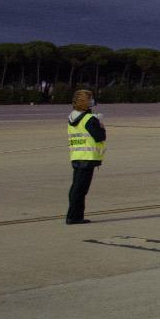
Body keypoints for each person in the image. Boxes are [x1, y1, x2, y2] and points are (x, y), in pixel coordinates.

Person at [66, 89, 108, 224]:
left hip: (76, 156)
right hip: (88, 157)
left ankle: (74, 215)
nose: (92, 101)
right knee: (81, 189)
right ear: (85, 102)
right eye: (90, 99)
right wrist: (101, 126)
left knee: (76, 187)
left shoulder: (72, 117)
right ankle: (74, 217)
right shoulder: (89, 119)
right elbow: (100, 136)